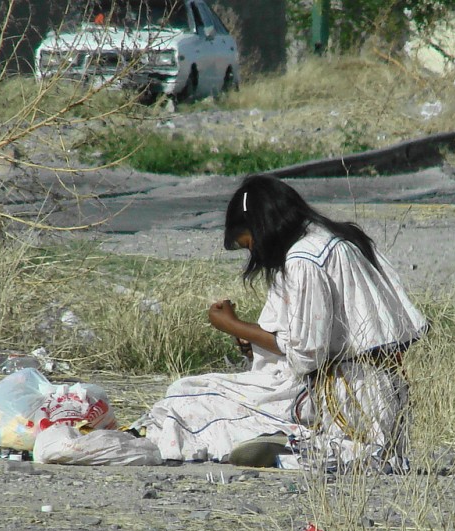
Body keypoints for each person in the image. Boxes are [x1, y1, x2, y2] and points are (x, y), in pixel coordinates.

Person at [134, 174, 428, 471]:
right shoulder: (342, 237)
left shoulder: (304, 259)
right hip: (383, 394)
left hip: (341, 394)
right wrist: (256, 342)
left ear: (262, 230)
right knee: (193, 395)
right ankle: (303, 445)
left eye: (249, 245)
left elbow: (307, 355)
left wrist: (232, 325)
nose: (253, 254)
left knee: (185, 396)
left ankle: (292, 445)